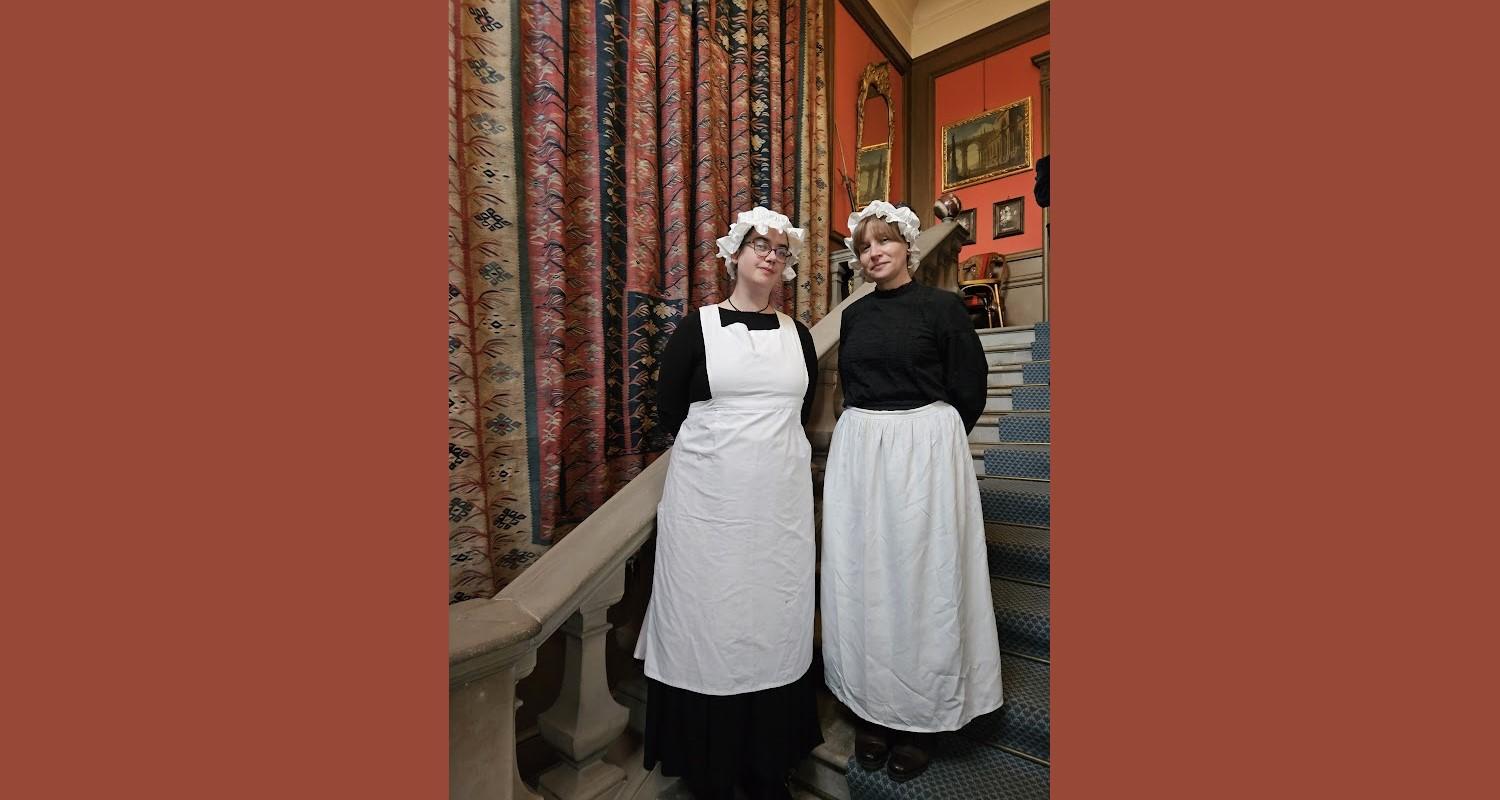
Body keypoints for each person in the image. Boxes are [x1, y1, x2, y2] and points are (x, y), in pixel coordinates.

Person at [634, 207, 822, 800]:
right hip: (710, 508)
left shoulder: (801, 334)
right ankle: (710, 768)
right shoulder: (699, 327)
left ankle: (767, 765)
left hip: (778, 510)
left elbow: (805, 408)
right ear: (735, 254)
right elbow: (668, 410)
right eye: (759, 245)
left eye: (781, 250)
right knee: (711, 621)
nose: (770, 256)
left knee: (771, 619)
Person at [820, 200, 1004, 782]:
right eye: (865, 245)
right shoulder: (854, 316)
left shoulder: (944, 309)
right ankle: (876, 710)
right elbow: (850, 385)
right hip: (863, 456)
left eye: (886, 242)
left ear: (907, 247)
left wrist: (930, 445)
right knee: (868, 579)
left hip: (924, 456)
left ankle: (923, 713)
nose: (875, 252)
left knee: (925, 581)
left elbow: (968, 390)